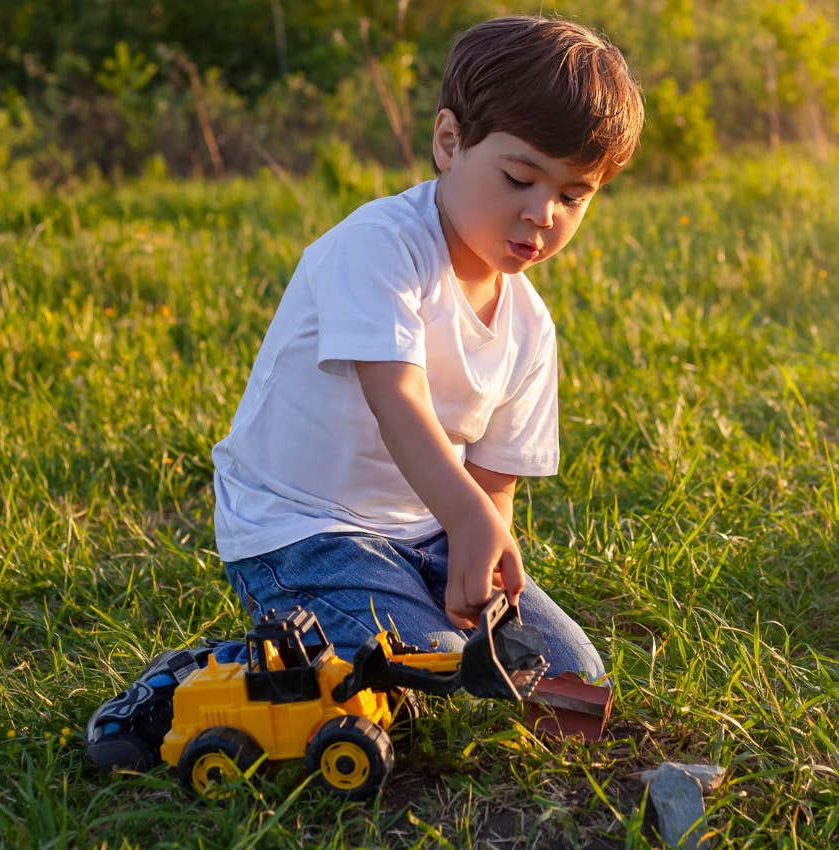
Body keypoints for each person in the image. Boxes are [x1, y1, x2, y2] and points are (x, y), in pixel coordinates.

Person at [212, 15, 644, 684]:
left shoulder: (529, 325)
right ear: (450, 141)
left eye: (571, 195)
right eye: (519, 178)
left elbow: (493, 483)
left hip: (428, 530)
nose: (543, 214)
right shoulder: (381, 245)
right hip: (305, 530)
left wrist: (483, 567)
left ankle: (403, 622)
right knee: (434, 670)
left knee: (566, 675)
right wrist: (467, 519)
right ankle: (249, 669)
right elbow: (398, 398)